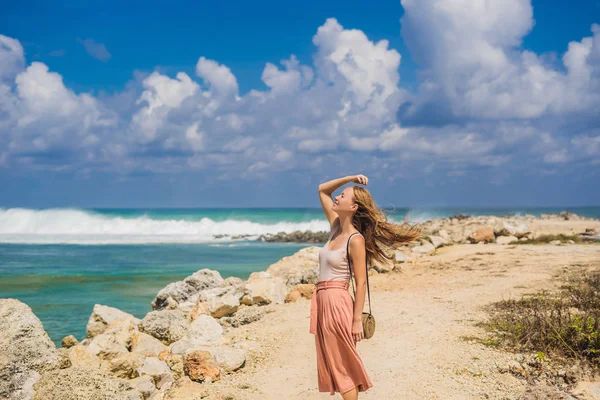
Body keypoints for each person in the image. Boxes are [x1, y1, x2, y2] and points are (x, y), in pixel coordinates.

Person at [310, 174, 421, 399]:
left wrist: (356, 320)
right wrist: (351, 178)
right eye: (340, 194)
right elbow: (322, 190)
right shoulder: (335, 227)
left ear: (353, 207)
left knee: (342, 366)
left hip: (338, 302)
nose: (337, 197)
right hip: (322, 300)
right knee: (333, 363)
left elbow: (360, 282)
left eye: (343, 196)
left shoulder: (355, 239)